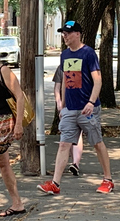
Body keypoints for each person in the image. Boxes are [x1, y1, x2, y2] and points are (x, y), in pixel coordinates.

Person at [38, 20, 114, 195]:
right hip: (70, 109)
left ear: (78, 34)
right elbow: (65, 80)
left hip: (88, 109)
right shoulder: (64, 55)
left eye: (68, 33)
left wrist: (91, 102)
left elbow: (98, 80)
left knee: (97, 142)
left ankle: (108, 179)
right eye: (63, 33)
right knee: (64, 144)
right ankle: (55, 183)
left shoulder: (88, 53)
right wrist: (63, 107)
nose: (65, 35)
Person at [0, 43, 26, 217]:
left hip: (4, 121)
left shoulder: (3, 70)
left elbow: (19, 97)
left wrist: (18, 124)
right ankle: (17, 203)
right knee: (3, 163)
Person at [53, 64, 84, 176]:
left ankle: (75, 163)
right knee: (72, 134)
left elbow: (57, 88)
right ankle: (75, 163)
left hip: (75, 106)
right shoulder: (61, 68)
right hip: (68, 106)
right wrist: (59, 102)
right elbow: (57, 88)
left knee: (73, 134)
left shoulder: (82, 66)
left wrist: (59, 103)